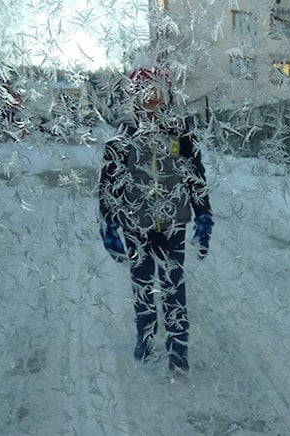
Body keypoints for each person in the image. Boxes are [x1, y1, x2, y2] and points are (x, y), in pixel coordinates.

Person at [97, 65, 213, 373]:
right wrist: (108, 225)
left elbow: (196, 178)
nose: (151, 94)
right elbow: (109, 184)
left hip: (174, 222)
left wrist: (204, 218)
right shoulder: (123, 137)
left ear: (166, 93)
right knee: (143, 284)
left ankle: (179, 350)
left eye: (157, 88)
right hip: (137, 224)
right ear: (134, 96)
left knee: (174, 286)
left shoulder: (181, 133)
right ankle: (145, 337)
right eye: (144, 88)